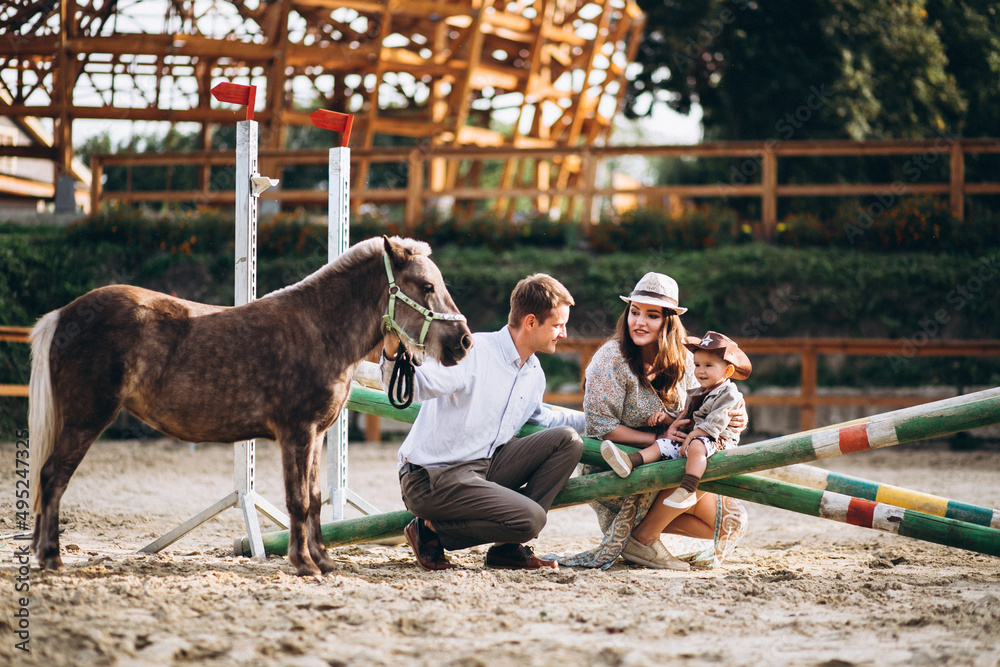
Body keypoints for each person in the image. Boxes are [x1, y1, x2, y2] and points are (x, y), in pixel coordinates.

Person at [381, 273, 585, 571]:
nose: (563, 333)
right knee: (531, 519)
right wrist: (391, 350)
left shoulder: (533, 372)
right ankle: (429, 532)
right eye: (557, 325)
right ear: (530, 323)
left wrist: (600, 421)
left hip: (481, 469)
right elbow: (414, 387)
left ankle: (506, 549)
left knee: (567, 441)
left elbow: (544, 419)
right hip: (432, 477)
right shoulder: (472, 352)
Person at [557, 272, 749, 571]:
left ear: (668, 321)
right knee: (699, 456)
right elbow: (600, 427)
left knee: (731, 524)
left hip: (675, 459)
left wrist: (736, 413)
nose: (639, 322)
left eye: (652, 315)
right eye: (634, 312)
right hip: (620, 462)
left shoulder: (688, 360)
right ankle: (644, 539)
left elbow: (714, 401)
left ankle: (642, 535)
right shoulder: (610, 360)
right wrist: (661, 440)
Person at [600, 331, 752, 510]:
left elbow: (715, 422)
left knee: (696, 445)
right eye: (697, 365)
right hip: (698, 439)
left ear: (727, 370)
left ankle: (688, 489)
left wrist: (693, 435)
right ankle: (630, 461)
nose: (700, 371)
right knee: (663, 443)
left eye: (708, 365)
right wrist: (667, 418)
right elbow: (686, 416)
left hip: (719, 441)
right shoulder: (698, 392)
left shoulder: (729, 394)